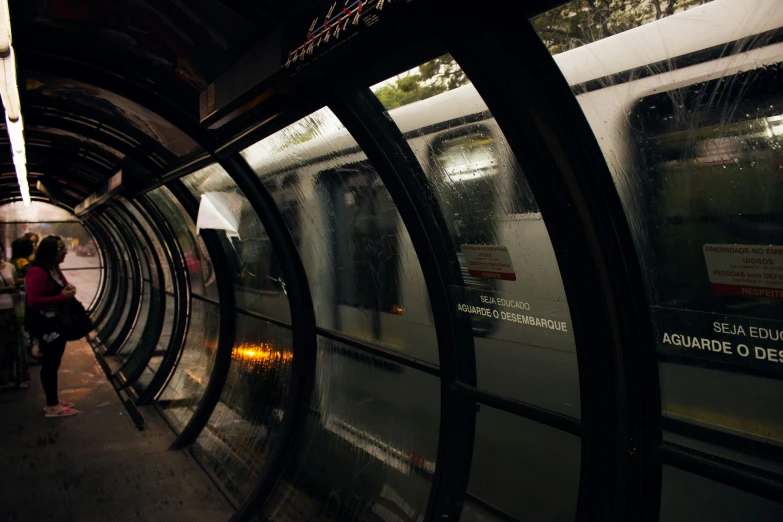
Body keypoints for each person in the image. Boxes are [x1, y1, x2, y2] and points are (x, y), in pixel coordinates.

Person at [26, 236, 79, 417]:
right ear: (51, 252)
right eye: (61, 249)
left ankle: (53, 400)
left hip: (56, 323)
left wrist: (68, 291)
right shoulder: (38, 272)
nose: (65, 251)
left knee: (54, 361)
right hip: (45, 325)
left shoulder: (54, 269)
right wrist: (61, 298)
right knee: (50, 362)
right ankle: (51, 406)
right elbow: (33, 301)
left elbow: (61, 287)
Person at [11, 237, 39, 368]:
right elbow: (31, 277)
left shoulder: (13, 261)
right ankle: (28, 355)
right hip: (26, 296)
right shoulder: (23, 261)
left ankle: (26, 354)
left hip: (17, 298)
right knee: (30, 325)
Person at [0, 248, 24, 388]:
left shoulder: (9, 266)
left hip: (10, 308)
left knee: (11, 342)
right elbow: (9, 287)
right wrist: (6, 289)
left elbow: (14, 283)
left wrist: (17, 283)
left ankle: (11, 375)